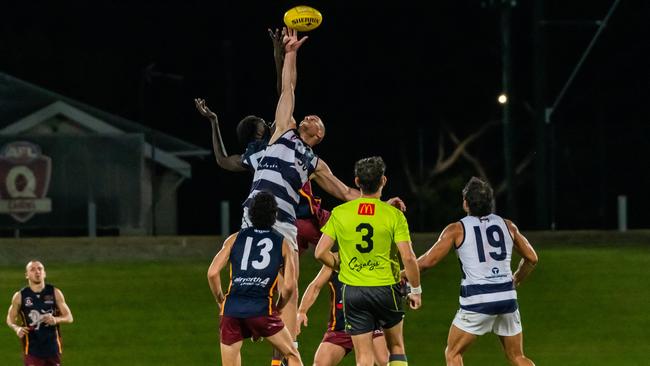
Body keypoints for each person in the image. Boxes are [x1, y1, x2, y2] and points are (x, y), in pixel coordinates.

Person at [408, 177, 538, 366]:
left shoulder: (456, 229)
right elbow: (532, 258)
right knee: (517, 357)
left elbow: (428, 261)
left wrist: (403, 273)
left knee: (453, 353)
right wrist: (517, 278)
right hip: (506, 298)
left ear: (465, 203)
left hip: (478, 300)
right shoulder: (508, 225)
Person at [315, 156, 421, 366]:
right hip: (385, 289)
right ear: (383, 181)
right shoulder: (393, 215)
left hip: (353, 292)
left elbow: (320, 253)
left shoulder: (340, 213)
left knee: (363, 357)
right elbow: (408, 257)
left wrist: (339, 264)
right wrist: (415, 289)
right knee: (396, 347)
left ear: (356, 182)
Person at [207, 191, 303, 366]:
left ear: (250, 214)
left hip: (231, 310)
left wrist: (221, 300)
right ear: (274, 215)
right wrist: (279, 307)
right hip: (261, 309)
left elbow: (212, 273)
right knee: (291, 354)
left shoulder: (234, 239)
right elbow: (289, 286)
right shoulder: (283, 243)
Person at [297, 263, 389, 365]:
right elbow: (315, 286)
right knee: (320, 363)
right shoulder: (334, 260)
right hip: (341, 327)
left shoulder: (370, 259)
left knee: (384, 362)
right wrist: (302, 311)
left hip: (370, 325)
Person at [6, 260, 74, 366]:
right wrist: (16, 328)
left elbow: (69, 317)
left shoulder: (55, 292)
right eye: (32, 269)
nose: (37, 272)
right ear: (26, 275)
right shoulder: (20, 296)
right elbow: (10, 318)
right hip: (32, 349)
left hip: (53, 348)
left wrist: (56, 319)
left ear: (44, 273)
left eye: (40, 269)